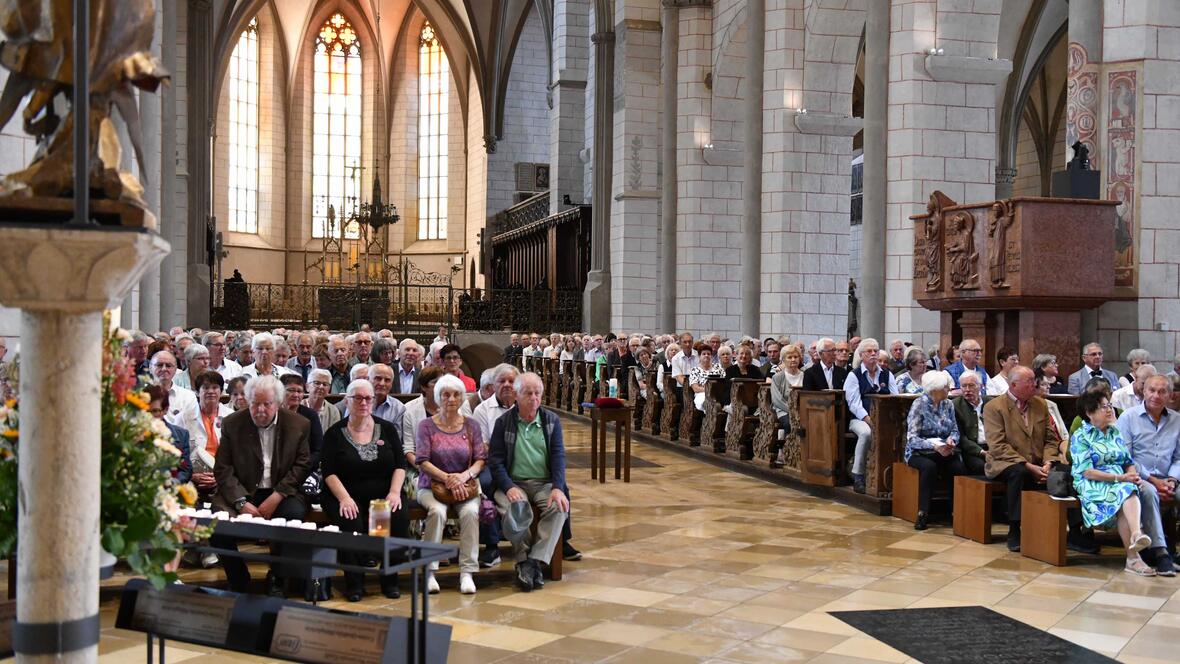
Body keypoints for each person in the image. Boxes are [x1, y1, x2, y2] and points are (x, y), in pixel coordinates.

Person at [211, 376, 311, 594]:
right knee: (217, 524)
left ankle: (278, 575)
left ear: (278, 403)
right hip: (243, 489)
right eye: (255, 403)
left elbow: (302, 466)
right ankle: (238, 579)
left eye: (267, 404)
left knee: (293, 516)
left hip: (282, 491)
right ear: (247, 401)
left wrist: (278, 496)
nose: (261, 410)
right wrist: (241, 502)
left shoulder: (298, 424)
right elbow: (223, 469)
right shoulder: (233, 423)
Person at [321, 379, 409, 600]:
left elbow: (400, 465)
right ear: (347, 401)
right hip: (345, 493)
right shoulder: (334, 432)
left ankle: (390, 579)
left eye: (368, 398)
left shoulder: (386, 429)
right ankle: (355, 583)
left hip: (383, 493)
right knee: (352, 523)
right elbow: (329, 472)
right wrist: (344, 499)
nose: (363, 402)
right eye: (357, 398)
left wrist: (394, 493)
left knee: (394, 518)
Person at [984, 366, 1081, 553]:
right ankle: (1014, 529)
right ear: (1013, 384)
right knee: (1018, 474)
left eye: (1033, 380)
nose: (1034, 384)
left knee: (1070, 473)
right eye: (1029, 381)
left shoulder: (1040, 404)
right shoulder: (994, 407)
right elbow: (997, 445)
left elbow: (1051, 439)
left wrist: (1048, 462)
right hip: (1006, 462)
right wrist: (1028, 466)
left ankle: (1076, 531)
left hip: (1039, 461)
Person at [487, 372, 570, 592]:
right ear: (516, 395)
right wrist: (509, 487)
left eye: (537, 393)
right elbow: (495, 462)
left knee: (558, 508)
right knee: (515, 507)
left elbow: (559, 456)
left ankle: (533, 561)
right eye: (528, 393)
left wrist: (557, 488)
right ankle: (523, 559)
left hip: (544, 483)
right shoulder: (504, 422)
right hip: (514, 483)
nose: (533, 398)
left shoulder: (550, 421)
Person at [1071, 390, 1154, 576]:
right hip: (1093, 483)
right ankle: (1134, 551)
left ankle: (1135, 545)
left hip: (1120, 482)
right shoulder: (1080, 436)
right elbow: (1087, 471)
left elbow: (1128, 461)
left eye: (1109, 405)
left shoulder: (1115, 432)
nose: (1109, 410)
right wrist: (1121, 478)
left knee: (1129, 489)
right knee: (1125, 490)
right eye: (1103, 407)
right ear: (1089, 412)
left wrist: (1132, 475)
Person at [415, 374, 485, 595]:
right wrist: (448, 478)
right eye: (445, 394)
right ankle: (429, 571)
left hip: (466, 485)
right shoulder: (426, 426)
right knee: (437, 512)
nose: (451, 399)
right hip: (431, 485)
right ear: (438, 397)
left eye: (456, 394)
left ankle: (467, 572)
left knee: (471, 512)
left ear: (463, 397)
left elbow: (481, 459)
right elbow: (422, 460)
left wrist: (462, 477)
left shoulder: (471, 425)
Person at [1115, 374, 1180, 576]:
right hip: (1139, 477)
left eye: (1162, 391)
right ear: (1144, 391)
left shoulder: (1177, 420)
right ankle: (1161, 553)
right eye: (1152, 390)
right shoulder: (1128, 417)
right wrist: (1153, 480)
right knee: (1150, 492)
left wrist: (1171, 479)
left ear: (1169, 395)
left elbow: (1179, 457)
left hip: (1168, 477)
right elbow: (1126, 456)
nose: (1156, 395)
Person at [904, 371, 965, 530]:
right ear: (934, 390)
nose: (949, 389)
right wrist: (934, 446)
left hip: (943, 450)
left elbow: (955, 431)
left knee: (957, 467)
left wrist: (952, 441)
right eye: (945, 387)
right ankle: (923, 513)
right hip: (919, 452)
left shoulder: (948, 404)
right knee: (929, 467)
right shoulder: (919, 404)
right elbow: (912, 438)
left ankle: (956, 512)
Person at [844, 339, 899, 493]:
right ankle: (858, 476)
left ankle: (893, 474)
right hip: (859, 419)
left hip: (885, 419)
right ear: (861, 355)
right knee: (866, 433)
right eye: (869, 351)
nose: (873, 354)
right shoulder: (854, 376)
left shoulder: (887, 374)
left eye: (875, 350)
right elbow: (854, 403)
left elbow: (895, 396)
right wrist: (868, 419)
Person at [145, 385, 193, 485]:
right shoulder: (132, 433)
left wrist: (172, 483)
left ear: (166, 410)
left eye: (154, 411)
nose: (149, 416)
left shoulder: (181, 435)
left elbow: (185, 470)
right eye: (146, 411)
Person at [151, 350, 200, 436]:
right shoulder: (141, 395)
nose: (164, 369)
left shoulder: (188, 397)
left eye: (168, 366)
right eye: (159, 365)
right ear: (150, 368)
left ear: (175, 369)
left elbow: (192, 431)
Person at [953, 372, 991, 475]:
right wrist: (982, 452)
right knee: (981, 466)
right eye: (964, 386)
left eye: (971, 385)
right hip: (972, 450)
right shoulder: (955, 405)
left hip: (993, 447)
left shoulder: (990, 403)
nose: (967, 390)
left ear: (981, 386)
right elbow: (960, 437)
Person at [770, 344, 805, 435]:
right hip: (784, 410)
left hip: (803, 410)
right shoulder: (777, 377)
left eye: (796, 357)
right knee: (790, 423)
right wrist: (793, 411)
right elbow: (777, 400)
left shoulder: (805, 375)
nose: (793, 359)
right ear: (783, 359)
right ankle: (787, 447)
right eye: (789, 357)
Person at [688, 344, 723, 412]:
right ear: (699, 356)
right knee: (711, 404)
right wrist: (709, 390)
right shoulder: (695, 370)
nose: (706, 355)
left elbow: (724, 382)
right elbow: (696, 388)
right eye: (704, 354)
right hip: (702, 395)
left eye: (708, 354)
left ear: (711, 356)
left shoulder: (718, 368)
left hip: (718, 394)